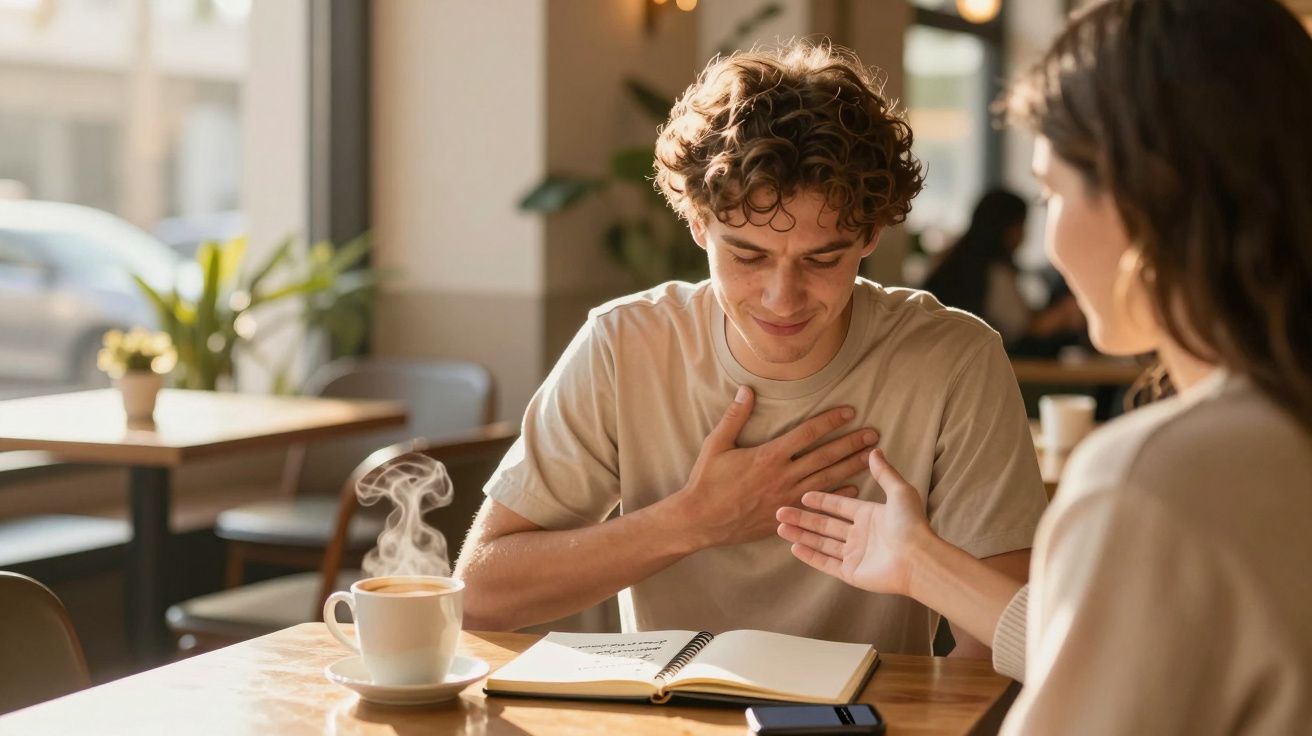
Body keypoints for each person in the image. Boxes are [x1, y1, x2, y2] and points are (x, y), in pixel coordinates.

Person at [777, 0, 1312, 730]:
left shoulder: (1151, 478)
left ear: (1140, 198)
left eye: (1052, 190)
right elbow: (1137, 653)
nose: (1050, 237)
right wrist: (919, 561)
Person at [454, 41, 1049, 658]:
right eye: (747, 256)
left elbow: (1001, 644)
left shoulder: (954, 357)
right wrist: (693, 520)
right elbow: (478, 594)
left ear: (871, 235)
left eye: (823, 258)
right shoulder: (624, 345)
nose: (782, 299)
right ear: (698, 225)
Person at [922, 188, 1084, 350]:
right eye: (1020, 226)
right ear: (1005, 227)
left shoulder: (955, 261)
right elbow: (1022, 329)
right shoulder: (991, 271)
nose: (1023, 234)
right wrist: (1064, 313)